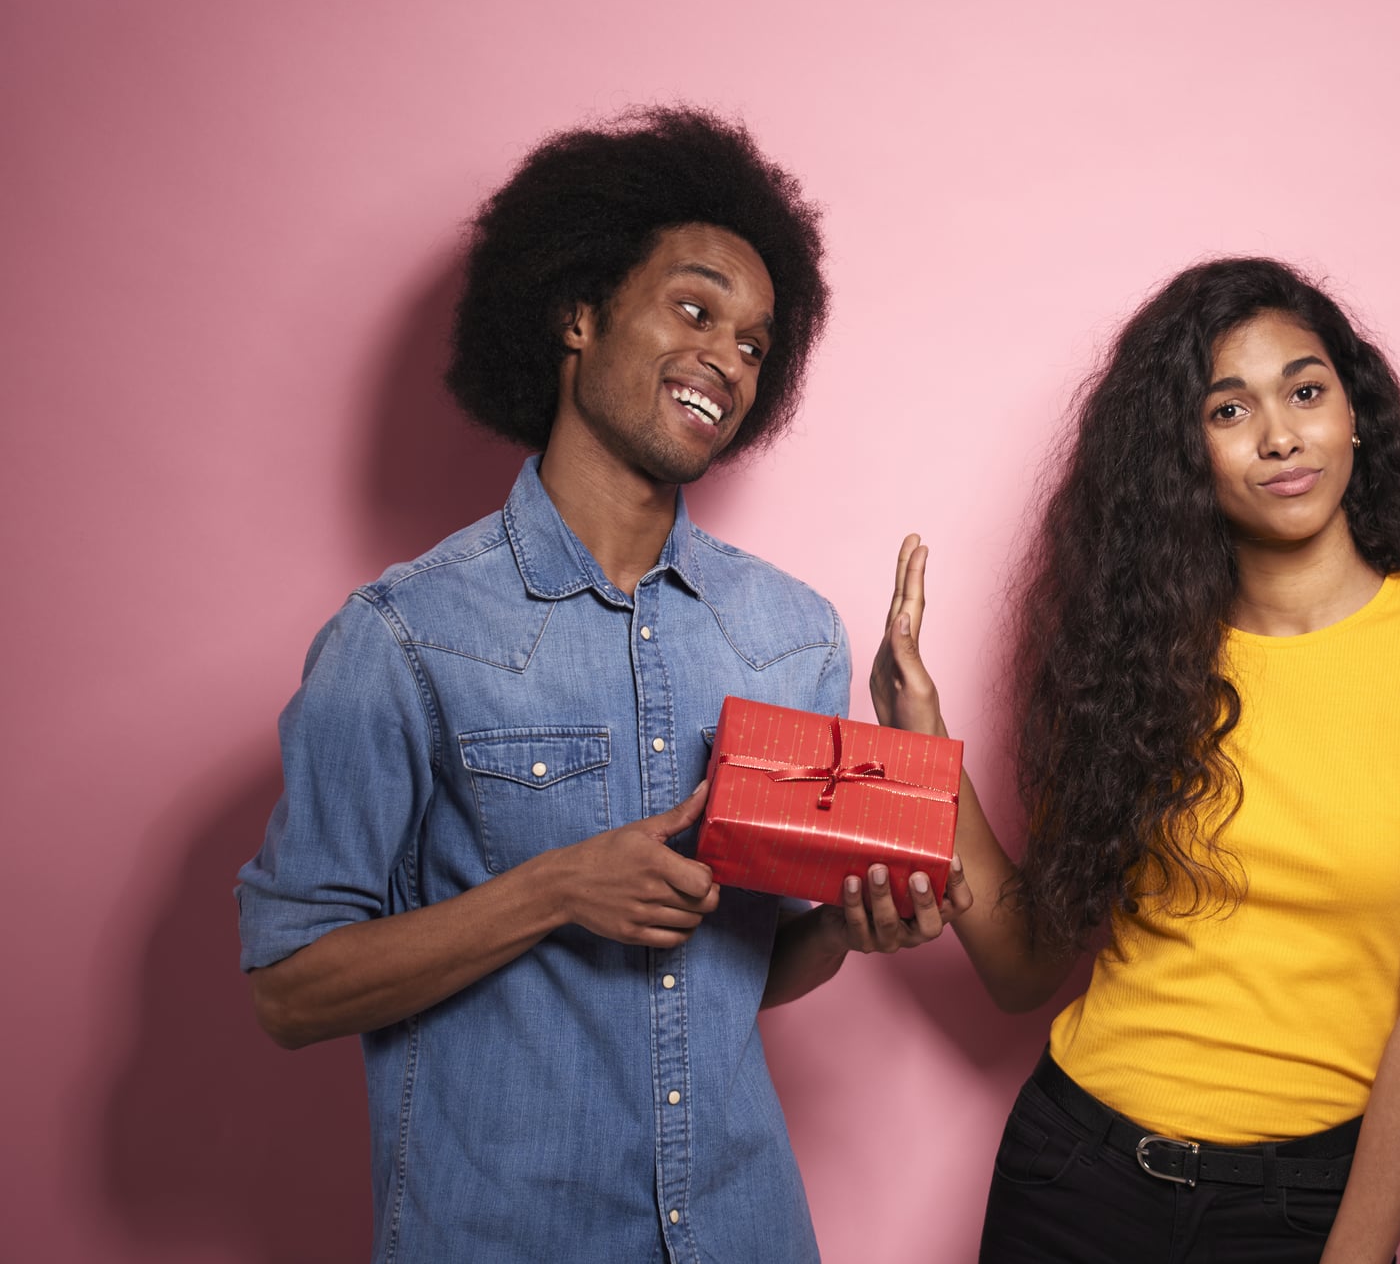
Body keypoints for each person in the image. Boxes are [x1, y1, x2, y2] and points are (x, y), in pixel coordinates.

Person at [236, 105, 964, 1263]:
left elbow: (737, 978)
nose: (725, 354)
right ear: (578, 314)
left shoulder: (792, 634)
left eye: (754, 342)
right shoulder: (402, 635)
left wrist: (847, 925)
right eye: (694, 307)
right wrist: (554, 889)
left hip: (744, 1231)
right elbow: (289, 990)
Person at [870, 257, 1400, 1263]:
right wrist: (921, 745)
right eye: (1227, 408)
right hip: (1072, 1173)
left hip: (1299, 1207)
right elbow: (1024, 964)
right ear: (1180, 450)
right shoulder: (1136, 658)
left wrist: (1358, 1253)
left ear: (1353, 411)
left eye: (1304, 390)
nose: (1280, 433)